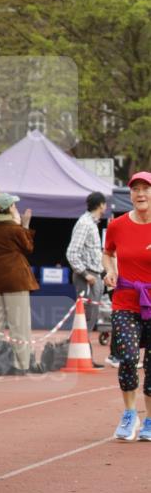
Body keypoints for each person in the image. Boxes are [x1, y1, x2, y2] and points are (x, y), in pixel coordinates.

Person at [102, 171, 151, 442]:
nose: (140, 194)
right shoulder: (117, 225)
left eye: (146, 189)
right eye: (136, 189)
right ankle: (130, 413)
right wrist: (109, 271)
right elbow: (107, 253)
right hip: (126, 301)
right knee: (129, 357)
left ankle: (150, 421)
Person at [0, 192, 38, 372]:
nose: (16, 207)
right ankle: (22, 363)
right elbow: (28, 247)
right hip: (15, 279)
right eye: (14, 205)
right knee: (19, 323)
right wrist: (25, 224)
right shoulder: (14, 228)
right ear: (9, 208)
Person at [66, 191, 108, 367]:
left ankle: (83, 355)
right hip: (88, 276)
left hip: (94, 274)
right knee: (86, 317)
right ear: (101, 205)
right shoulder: (85, 223)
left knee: (89, 317)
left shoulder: (90, 223)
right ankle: (77, 356)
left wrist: (103, 274)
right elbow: (72, 252)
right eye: (104, 204)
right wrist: (86, 274)